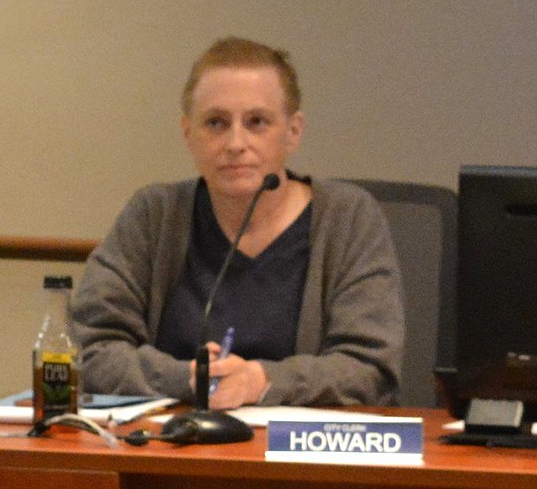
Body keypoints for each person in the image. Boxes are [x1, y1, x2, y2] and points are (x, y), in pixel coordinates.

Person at [72, 37, 403, 408]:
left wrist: (261, 382)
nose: (235, 143)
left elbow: (370, 368)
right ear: (188, 134)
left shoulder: (347, 218)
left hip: (298, 442)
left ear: (293, 132)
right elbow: (90, 348)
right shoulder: (154, 215)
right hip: (174, 436)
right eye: (216, 123)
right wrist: (188, 379)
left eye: (256, 122)